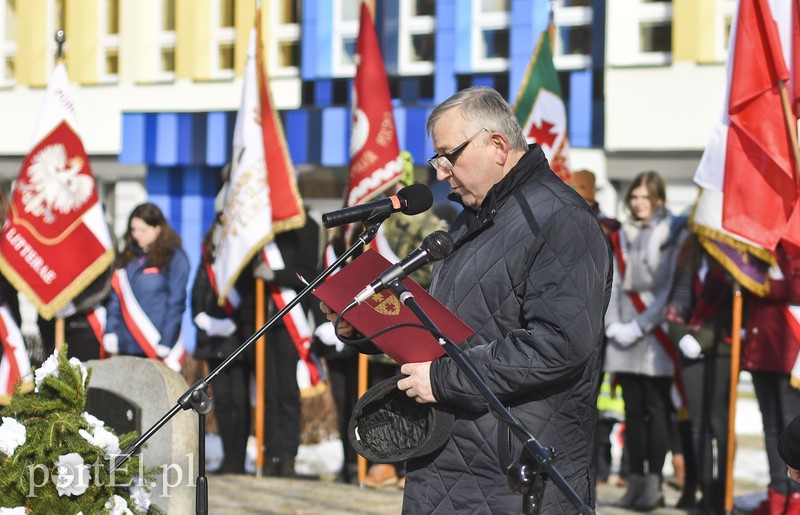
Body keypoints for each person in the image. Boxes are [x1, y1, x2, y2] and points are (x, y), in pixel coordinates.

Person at [322, 86, 612, 512]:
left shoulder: (560, 218)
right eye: (436, 159)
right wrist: (363, 326)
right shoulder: (471, 219)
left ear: (497, 145)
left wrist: (441, 380)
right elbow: (448, 327)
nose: (441, 173)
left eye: (448, 155)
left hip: (514, 469)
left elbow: (559, 344)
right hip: (446, 459)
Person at [603, 171, 684, 510]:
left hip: (655, 334)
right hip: (623, 330)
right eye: (633, 197)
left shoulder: (671, 233)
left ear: (658, 200)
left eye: (644, 197)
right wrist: (613, 325)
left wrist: (641, 325)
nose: (637, 203)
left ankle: (653, 485)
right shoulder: (621, 235)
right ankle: (634, 481)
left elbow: (669, 287)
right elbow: (615, 281)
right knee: (632, 412)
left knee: (656, 410)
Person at [239, 210, 321, 477]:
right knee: (266, 391)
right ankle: (269, 451)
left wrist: (276, 274)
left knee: (286, 390)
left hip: (289, 320)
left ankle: (287, 456)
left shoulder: (305, 226)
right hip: (259, 317)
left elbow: (308, 273)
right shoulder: (258, 224)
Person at [666, 234, 733, 514]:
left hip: (720, 352)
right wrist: (681, 337)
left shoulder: (733, 262)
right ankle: (705, 491)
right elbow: (675, 308)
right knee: (697, 426)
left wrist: (701, 339)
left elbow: (732, 312)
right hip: (689, 350)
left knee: (719, 425)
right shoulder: (688, 261)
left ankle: (721, 494)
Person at [742, 243, 800, 515]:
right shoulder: (758, 247)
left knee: (794, 430)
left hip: (788, 351)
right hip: (761, 349)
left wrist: (763, 284)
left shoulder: (793, 250)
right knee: (771, 428)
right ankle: (778, 492)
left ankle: (796, 497)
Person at [191, 214, 250, 474]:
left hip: (238, 340)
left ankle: (239, 457)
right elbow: (198, 292)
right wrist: (204, 319)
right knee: (223, 400)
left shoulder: (242, 257)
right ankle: (229, 457)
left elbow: (248, 297)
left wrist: (236, 322)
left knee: (240, 399)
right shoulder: (208, 259)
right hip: (215, 341)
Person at [103, 202, 190, 369]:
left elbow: (176, 303)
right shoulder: (127, 257)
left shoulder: (174, 258)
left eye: (142, 230)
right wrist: (111, 331)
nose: (136, 235)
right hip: (127, 345)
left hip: (155, 344)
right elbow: (116, 298)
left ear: (157, 228)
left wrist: (167, 341)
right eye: (133, 229)